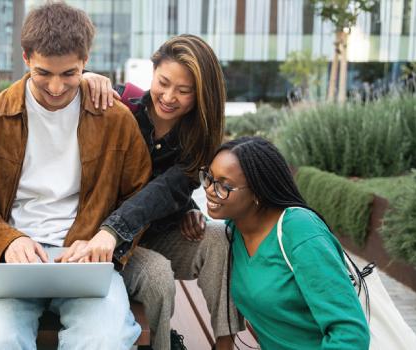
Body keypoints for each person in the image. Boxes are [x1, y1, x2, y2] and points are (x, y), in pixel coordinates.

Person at [0, 2, 152, 349]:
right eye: (44, 73)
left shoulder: (114, 119)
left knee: (103, 341)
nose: (57, 87)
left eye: (70, 73)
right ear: (26, 57)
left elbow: (138, 196)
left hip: (83, 259)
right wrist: (7, 240)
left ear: (86, 61)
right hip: (10, 261)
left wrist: (104, 238)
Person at [82, 34, 241, 350]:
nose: (169, 97)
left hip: (155, 234)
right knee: (156, 275)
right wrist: (84, 78)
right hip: (104, 239)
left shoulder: (198, 140)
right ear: (152, 72)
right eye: (163, 82)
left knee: (218, 237)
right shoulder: (119, 105)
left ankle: (225, 343)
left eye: (184, 91)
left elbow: (164, 191)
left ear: (201, 96)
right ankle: (161, 342)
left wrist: (185, 209)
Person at [204, 136, 369, 349]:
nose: (209, 190)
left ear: (258, 192)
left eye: (224, 185)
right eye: (209, 178)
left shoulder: (300, 230)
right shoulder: (234, 230)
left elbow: (350, 333)